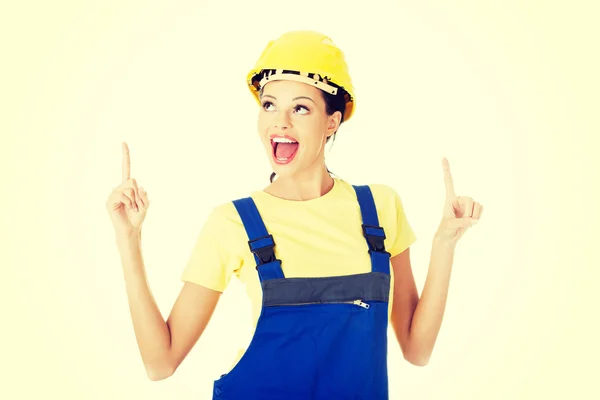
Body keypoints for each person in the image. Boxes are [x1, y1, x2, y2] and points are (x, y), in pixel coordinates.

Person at [105, 30, 483, 399]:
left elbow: (417, 350)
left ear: (332, 121)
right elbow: (160, 363)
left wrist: (445, 242)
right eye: (269, 105)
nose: (279, 121)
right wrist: (129, 240)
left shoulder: (380, 209)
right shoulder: (233, 223)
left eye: (300, 107)